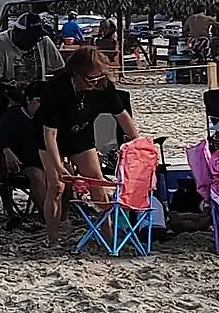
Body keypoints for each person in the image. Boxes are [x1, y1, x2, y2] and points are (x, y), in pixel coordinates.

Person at [37, 47, 142, 247]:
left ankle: (108, 237)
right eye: (89, 79)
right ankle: (53, 239)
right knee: (57, 186)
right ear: (75, 73)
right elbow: (49, 135)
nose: (94, 84)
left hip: (81, 135)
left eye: (97, 78)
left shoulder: (103, 85)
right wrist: (59, 168)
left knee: (97, 182)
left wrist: (136, 146)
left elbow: (123, 117)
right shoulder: (57, 89)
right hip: (50, 138)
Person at [0, 84, 48, 222]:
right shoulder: (14, 115)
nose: (42, 106)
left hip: (45, 159)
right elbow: (0, 137)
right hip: (23, 162)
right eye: (39, 101)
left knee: (68, 172)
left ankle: (63, 216)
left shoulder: (47, 117)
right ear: (29, 100)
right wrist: (7, 151)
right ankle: (47, 217)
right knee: (37, 176)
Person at [0, 13, 65, 88]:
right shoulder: (2, 41)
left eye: (36, 38)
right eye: (30, 38)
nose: (34, 42)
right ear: (17, 33)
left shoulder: (43, 40)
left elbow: (59, 69)